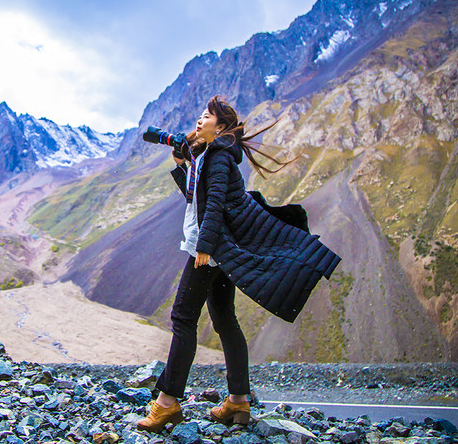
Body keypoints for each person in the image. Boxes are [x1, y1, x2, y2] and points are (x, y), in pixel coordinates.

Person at [137, 96, 340, 433]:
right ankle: (238, 401)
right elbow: (197, 197)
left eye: (206, 116)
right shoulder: (211, 155)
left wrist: (203, 245)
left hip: (209, 248)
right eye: (200, 115)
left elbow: (215, 202)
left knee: (183, 318)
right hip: (221, 248)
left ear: (222, 126)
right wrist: (182, 162)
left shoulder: (217, 158)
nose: (199, 120)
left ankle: (167, 405)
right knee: (224, 319)